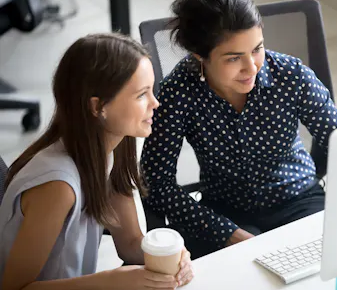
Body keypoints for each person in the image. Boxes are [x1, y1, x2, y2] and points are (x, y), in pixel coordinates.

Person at [141, 0, 337, 259]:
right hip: (225, 211)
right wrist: (223, 231)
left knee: (329, 262)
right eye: (234, 58)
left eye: (257, 49)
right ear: (199, 55)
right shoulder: (178, 92)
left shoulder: (291, 75)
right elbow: (156, 181)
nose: (252, 67)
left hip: (298, 198)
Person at [0, 33, 194, 290]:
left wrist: (173, 257)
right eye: (141, 95)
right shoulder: (58, 187)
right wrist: (111, 281)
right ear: (98, 107)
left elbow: (130, 243)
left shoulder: (113, 148)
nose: (155, 103)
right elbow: (14, 288)